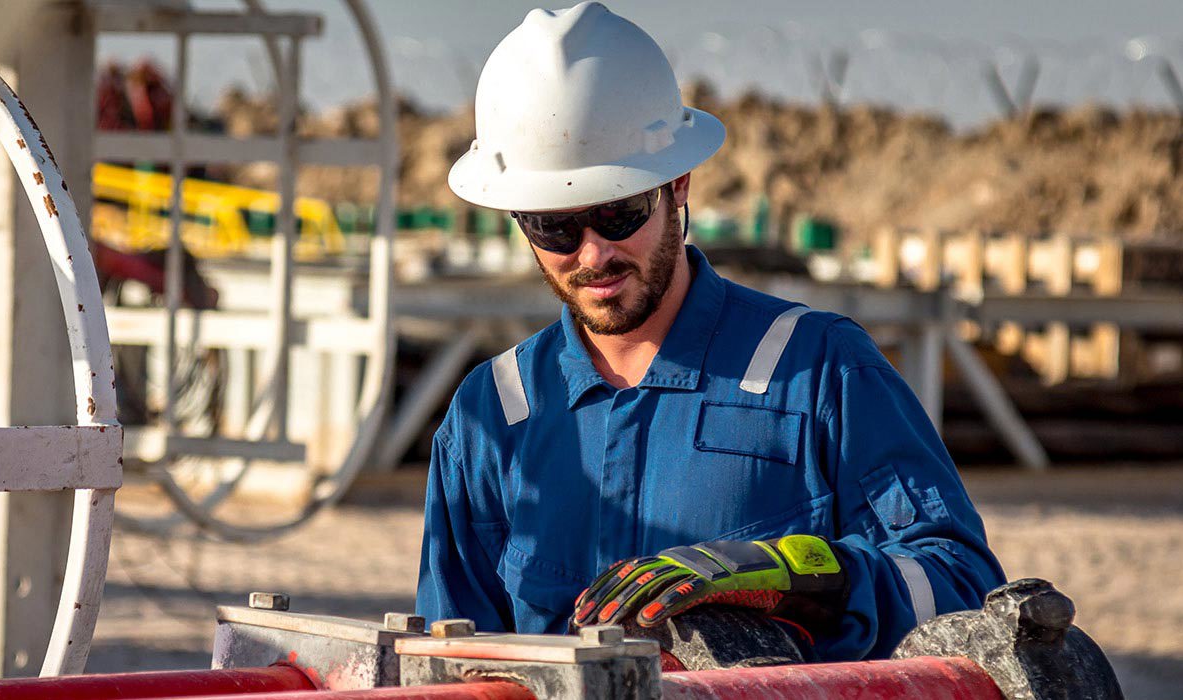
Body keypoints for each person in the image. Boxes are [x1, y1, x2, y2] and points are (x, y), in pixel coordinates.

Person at [415, 1, 1004, 661]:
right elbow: (450, 662)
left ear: (678, 184)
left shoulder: (818, 372)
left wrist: (799, 576)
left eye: (619, 213)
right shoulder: (494, 415)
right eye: (555, 226)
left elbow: (963, 586)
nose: (593, 254)